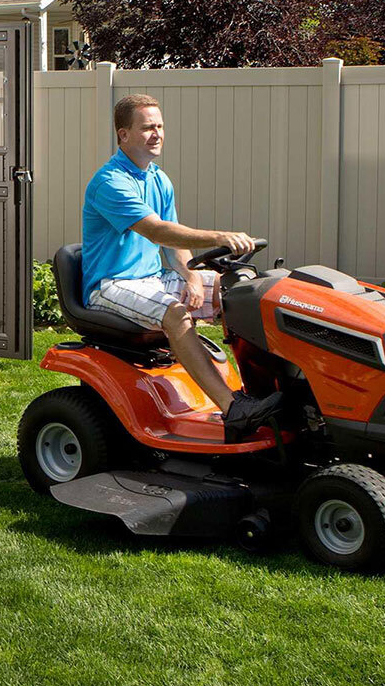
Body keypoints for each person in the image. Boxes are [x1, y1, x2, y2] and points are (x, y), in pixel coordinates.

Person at [82, 93, 282, 441]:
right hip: (111, 285)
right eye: (146, 128)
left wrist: (190, 275)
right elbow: (157, 230)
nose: (156, 134)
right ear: (123, 135)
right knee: (177, 314)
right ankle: (233, 408)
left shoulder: (159, 180)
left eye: (159, 126)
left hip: (153, 279)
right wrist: (219, 235)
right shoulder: (110, 182)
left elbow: (174, 246)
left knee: (243, 291)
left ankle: (267, 393)